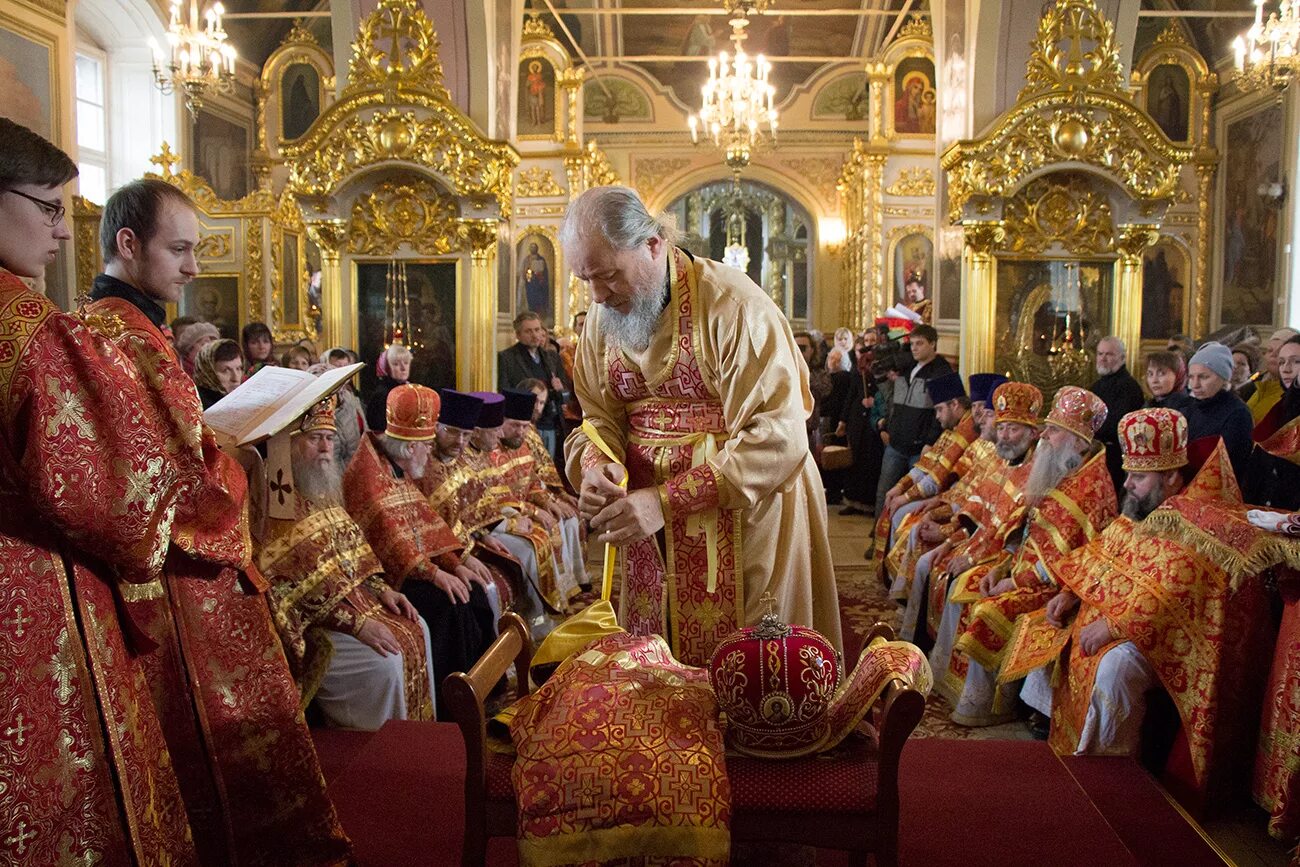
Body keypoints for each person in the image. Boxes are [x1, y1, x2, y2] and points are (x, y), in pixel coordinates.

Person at [84, 177, 349, 863]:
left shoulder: (132, 329)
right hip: (177, 573)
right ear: (128, 243)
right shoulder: (124, 336)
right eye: (180, 249)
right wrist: (231, 458)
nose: (195, 266)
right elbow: (163, 477)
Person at [0, 118, 209, 865]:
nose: (62, 232)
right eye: (50, 208)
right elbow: (110, 494)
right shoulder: (24, 325)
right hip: (27, 592)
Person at [562, 185, 841, 663]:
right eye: (586, 279)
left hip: (747, 517)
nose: (598, 295)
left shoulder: (734, 307)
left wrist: (667, 501)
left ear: (653, 244)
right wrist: (595, 466)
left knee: (751, 670)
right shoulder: (601, 318)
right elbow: (598, 417)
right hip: (646, 524)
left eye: (608, 276)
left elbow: (777, 437)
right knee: (654, 654)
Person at [1009, 416, 1281, 809]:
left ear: (1171, 477)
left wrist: (1117, 626)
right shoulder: (1143, 507)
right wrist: (1070, 592)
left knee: (1113, 667)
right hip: (1137, 621)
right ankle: (1057, 742)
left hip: (1182, 642)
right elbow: (1107, 552)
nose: (1127, 485)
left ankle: (1108, 780)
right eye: (1129, 474)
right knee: (1053, 624)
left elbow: (1179, 594)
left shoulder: (1201, 520)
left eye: (1137, 477)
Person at [938, 386, 1116, 727]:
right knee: (969, 584)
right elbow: (1028, 532)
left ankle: (993, 705)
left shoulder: (1090, 487)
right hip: (1024, 570)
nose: (1044, 435)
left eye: (1053, 430)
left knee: (989, 609)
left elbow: (1066, 561)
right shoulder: (1062, 467)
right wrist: (1004, 565)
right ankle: (962, 690)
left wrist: (1012, 580)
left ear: (1077, 440)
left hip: (1060, 588)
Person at [259, 399, 436, 729]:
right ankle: (374, 752)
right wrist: (357, 625)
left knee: (419, 628)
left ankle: (415, 743)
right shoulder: (274, 505)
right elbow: (290, 586)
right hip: (316, 628)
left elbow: (352, 550)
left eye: (330, 438)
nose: (327, 448)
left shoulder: (323, 489)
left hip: (357, 601)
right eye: (315, 439)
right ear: (289, 445)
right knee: (386, 661)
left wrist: (381, 588)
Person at [341, 383, 497, 708]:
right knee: (447, 606)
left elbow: (425, 523)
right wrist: (438, 575)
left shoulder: (398, 462)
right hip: (384, 577)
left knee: (474, 594)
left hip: (415, 568)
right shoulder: (368, 473)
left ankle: (482, 689)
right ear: (410, 448)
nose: (430, 452)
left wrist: (454, 564)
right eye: (426, 445)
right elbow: (391, 541)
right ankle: (452, 703)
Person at [417, 389, 550, 636]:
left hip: (469, 542)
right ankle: (495, 651)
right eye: (453, 432)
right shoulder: (425, 467)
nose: (459, 442)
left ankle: (521, 632)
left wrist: (483, 535)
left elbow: (472, 511)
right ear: (437, 428)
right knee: (487, 586)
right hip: (444, 553)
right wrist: (466, 556)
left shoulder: (459, 461)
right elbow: (434, 523)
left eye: (465, 435)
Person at [875, 371, 976, 586]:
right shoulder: (954, 427)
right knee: (895, 508)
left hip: (953, 498)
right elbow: (929, 463)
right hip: (945, 495)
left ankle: (903, 586)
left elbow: (939, 476)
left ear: (955, 405)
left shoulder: (966, 430)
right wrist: (899, 488)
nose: (937, 416)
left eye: (939, 410)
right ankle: (895, 582)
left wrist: (905, 497)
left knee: (902, 513)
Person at [874, 323, 954, 522]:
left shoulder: (942, 371)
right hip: (896, 442)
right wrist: (887, 426)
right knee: (885, 492)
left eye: (920, 343)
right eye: (912, 344)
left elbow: (948, 412)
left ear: (933, 344)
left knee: (912, 496)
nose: (915, 348)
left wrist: (930, 440)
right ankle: (878, 539)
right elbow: (893, 400)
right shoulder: (905, 368)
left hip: (921, 447)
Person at [497, 310, 572, 464]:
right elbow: (504, 390)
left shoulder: (551, 357)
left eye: (537, 330)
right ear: (518, 334)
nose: (535, 335)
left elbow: (566, 392)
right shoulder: (507, 357)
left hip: (551, 423)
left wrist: (560, 388)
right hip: (523, 425)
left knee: (548, 467)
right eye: (529, 331)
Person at [1184, 341, 1254, 477]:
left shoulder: (1238, 414)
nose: (1195, 385)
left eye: (1203, 377)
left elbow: (1230, 466)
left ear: (1224, 378)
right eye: (1191, 377)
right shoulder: (1192, 407)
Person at [1090, 336, 1145, 496]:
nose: (1103, 359)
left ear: (1122, 357)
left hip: (1115, 458)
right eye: (1100, 354)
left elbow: (1117, 425)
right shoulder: (1097, 385)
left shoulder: (1128, 387)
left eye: (1109, 354)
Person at [323, 346, 367, 466]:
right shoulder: (322, 402)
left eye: (345, 367)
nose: (343, 372)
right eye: (337, 367)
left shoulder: (352, 398)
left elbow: (364, 432)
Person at [1244, 328, 1299, 423]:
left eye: (1279, 351)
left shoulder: (1292, 397)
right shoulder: (1256, 386)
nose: (1273, 355)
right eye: (1270, 350)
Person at [365, 342, 413, 431]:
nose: (403, 368)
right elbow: (378, 430)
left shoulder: (410, 389)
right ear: (386, 368)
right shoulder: (382, 395)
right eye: (396, 364)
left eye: (406, 363)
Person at [192, 337, 244, 408]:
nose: (235, 379)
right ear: (208, 373)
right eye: (226, 370)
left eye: (238, 369)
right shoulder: (195, 407)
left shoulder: (242, 402)